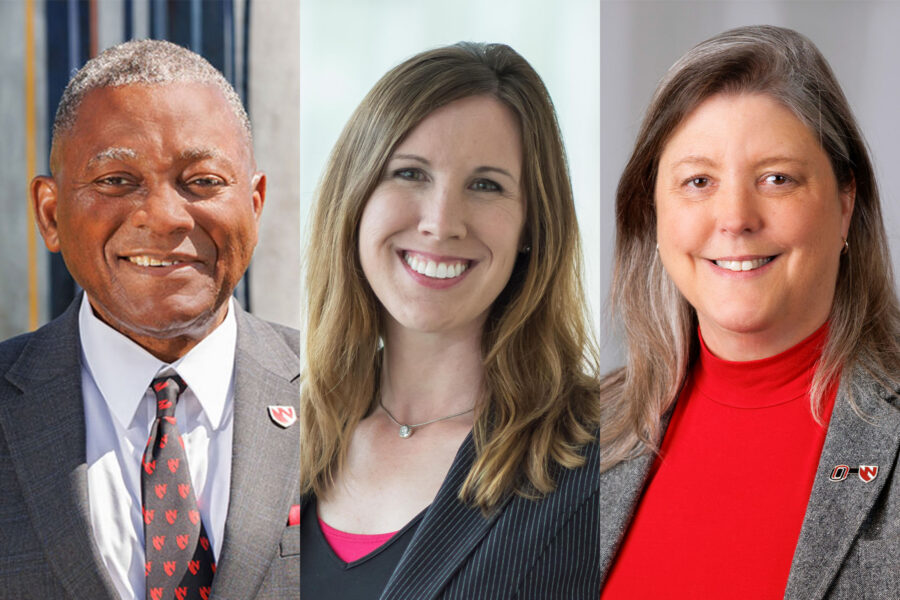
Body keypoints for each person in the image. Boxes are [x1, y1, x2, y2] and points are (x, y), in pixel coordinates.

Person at [599, 25, 900, 599]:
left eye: (776, 179)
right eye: (698, 181)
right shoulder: (580, 436)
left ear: (845, 202)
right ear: (652, 212)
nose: (735, 217)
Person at [0, 40, 300, 600]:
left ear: (255, 205)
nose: (163, 218)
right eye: (116, 180)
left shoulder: (350, 395)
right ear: (51, 214)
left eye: (203, 181)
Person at [300, 42, 601, 599]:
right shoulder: (276, 436)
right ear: (355, 197)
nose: (441, 223)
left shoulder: (600, 458)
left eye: (486, 185)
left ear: (532, 226)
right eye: (410, 173)